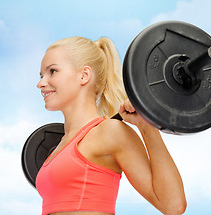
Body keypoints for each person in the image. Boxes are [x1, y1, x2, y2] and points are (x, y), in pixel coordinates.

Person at [36, 36, 187, 215]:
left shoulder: (110, 132)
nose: (41, 83)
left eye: (52, 71)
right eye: (41, 75)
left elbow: (173, 205)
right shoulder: (58, 148)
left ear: (84, 75)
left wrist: (147, 126)